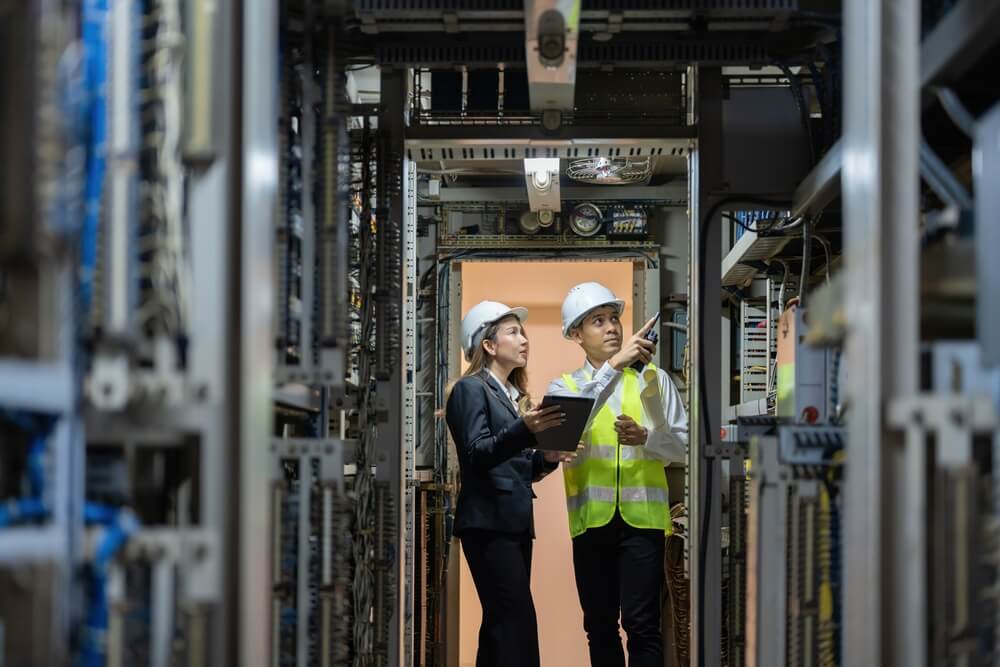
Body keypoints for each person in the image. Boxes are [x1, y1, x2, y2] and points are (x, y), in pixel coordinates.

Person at [547, 282, 688, 667]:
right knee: (600, 626)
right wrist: (612, 368)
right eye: (598, 321)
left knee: (644, 626)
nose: (612, 328)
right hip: (591, 525)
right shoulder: (565, 387)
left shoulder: (653, 380)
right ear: (577, 334)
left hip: (642, 525)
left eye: (614, 319)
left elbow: (684, 447)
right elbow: (562, 436)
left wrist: (647, 439)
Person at [445, 300, 574, 667]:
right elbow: (477, 454)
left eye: (524, 331)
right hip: (488, 523)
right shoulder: (471, 389)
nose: (524, 339)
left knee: (501, 624)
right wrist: (525, 429)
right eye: (513, 331)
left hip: (510, 523)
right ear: (488, 344)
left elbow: (513, 465)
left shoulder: (509, 397)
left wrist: (546, 459)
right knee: (514, 623)